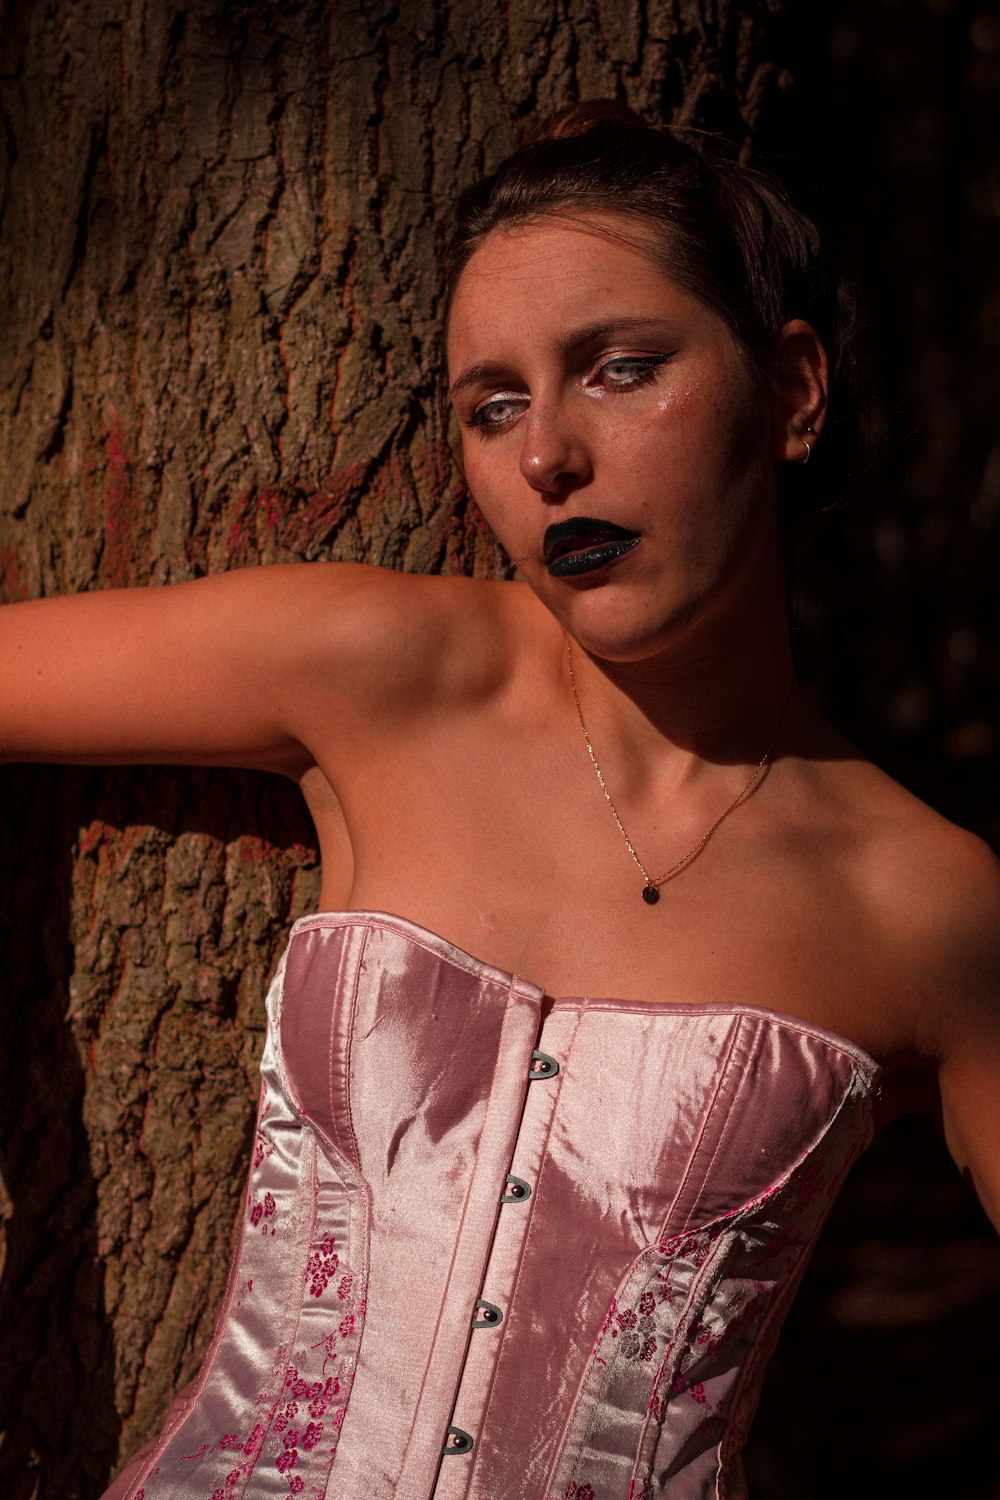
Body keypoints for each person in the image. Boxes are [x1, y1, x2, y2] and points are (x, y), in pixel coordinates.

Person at [3, 100, 999, 1499]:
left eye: (622, 369)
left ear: (793, 391)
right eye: (496, 405)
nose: (548, 460)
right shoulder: (386, 672)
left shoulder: (928, 903)